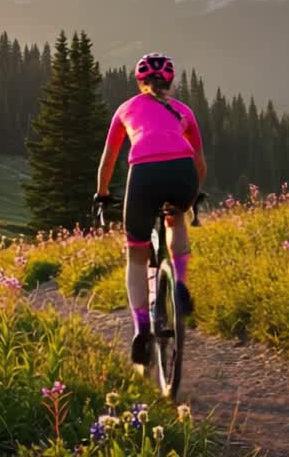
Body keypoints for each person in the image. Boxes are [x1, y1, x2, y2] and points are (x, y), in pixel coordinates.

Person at [95, 52, 207, 366]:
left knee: (136, 251)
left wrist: (102, 195)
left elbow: (108, 161)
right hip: (182, 172)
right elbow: (199, 162)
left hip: (144, 175)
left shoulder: (125, 109)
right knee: (176, 220)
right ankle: (180, 286)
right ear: (170, 81)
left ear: (139, 80)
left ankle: (142, 327)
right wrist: (191, 193)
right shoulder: (184, 110)